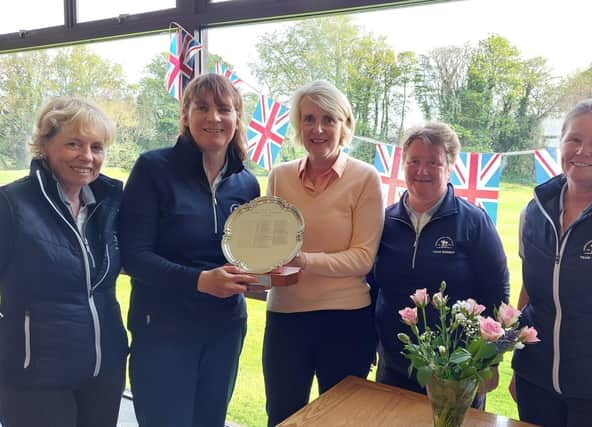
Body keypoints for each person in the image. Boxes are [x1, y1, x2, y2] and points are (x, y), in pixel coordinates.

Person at [118, 73, 260, 427]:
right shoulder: (153, 168)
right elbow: (133, 254)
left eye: (224, 109)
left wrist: (266, 273)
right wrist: (199, 280)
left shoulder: (246, 183)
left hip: (225, 330)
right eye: (202, 107)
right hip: (164, 331)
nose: (214, 117)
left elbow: (247, 257)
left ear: (237, 119)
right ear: (185, 115)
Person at [511, 99, 592, 427]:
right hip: (534, 384)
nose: (582, 150)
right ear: (561, 144)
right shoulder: (534, 212)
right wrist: (518, 365)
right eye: (574, 139)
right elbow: (530, 293)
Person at [262, 80, 384, 426]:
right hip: (285, 318)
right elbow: (270, 247)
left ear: (345, 125)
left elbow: (362, 257)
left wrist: (301, 259)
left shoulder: (365, 178)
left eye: (329, 119)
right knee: (282, 417)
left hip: (345, 319)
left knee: (342, 420)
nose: (318, 128)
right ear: (298, 125)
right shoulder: (279, 176)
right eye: (309, 118)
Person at [0, 97, 127, 427]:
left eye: (96, 147)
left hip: (105, 370)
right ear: (45, 145)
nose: (87, 156)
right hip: (36, 376)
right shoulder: (11, 205)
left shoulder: (108, 205)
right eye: (74, 143)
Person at [368, 122, 509, 408]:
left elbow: (497, 290)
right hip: (394, 365)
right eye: (414, 161)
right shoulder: (384, 221)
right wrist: (366, 341)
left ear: (450, 166)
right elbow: (370, 286)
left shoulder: (473, 221)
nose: (422, 171)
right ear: (403, 164)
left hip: (456, 370)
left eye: (434, 162)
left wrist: (490, 358)